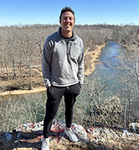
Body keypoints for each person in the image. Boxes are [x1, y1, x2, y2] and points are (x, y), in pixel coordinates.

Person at [41, 7, 84, 150]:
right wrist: (48, 84)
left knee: (69, 109)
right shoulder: (51, 40)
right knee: (50, 113)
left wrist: (80, 82)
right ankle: (46, 138)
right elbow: (45, 64)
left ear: (74, 22)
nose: (67, 21)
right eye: (65, 18)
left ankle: (68, 129)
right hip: (56, 85)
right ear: (60, 21)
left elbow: (81, 63)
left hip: (73, 84)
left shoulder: (79, 41)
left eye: (70, 18)